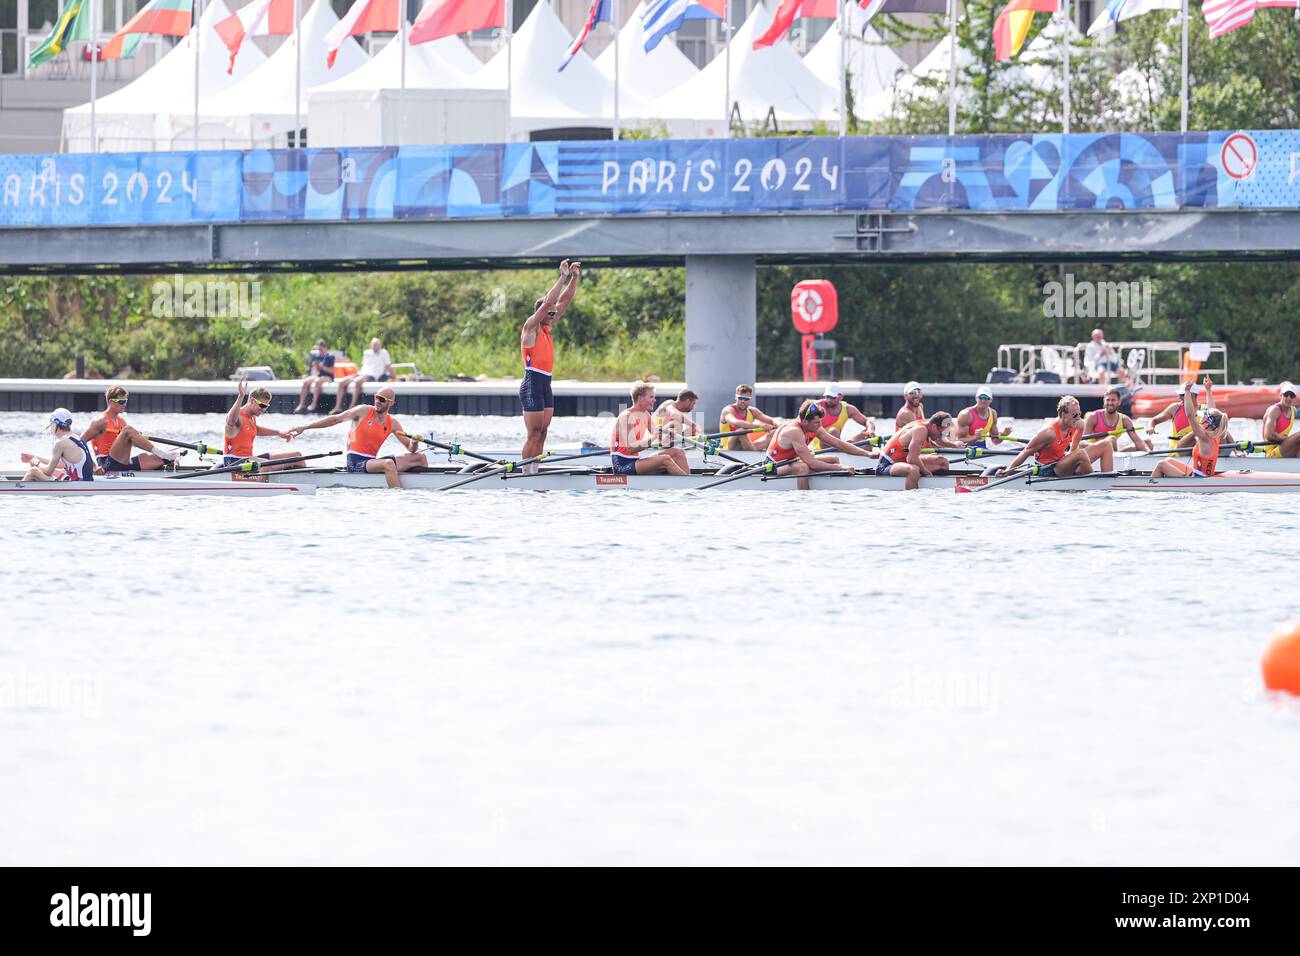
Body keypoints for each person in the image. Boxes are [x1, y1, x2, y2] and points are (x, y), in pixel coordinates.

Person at [289, 386, 427, 489]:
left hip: (371, 462)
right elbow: (335, 419)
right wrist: (305, 427)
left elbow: (410, 448)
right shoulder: (363, 411)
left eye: (382, 399)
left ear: (391, 403)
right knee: (389, 464)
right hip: (355, 463)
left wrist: (414, 442)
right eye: (376, 397)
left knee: (421, 458)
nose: (377, 401)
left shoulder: (393, 423)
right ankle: (400, 495)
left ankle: (422, 485)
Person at [520, 260, 581, 467]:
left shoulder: (548, 328)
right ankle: (525, 470)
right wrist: (562, 276)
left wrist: (575, 277)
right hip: (532, 384)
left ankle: (535, 468)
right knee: (534, 432)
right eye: (551, 313)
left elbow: (564, 301)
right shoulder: (531, 328)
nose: (555, 315)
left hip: (546, 384)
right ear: (541, 313)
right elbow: (549, 303)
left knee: (543, 432)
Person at [764, 400, 873, 490]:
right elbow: (812, 464)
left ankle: (830, 493)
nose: (820, 425)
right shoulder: (794, 431)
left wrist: (866, 453)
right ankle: (804, 497)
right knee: (803, 467)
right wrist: (841, 468)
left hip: (791, 461)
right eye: (817, 423)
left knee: (833, 459)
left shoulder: (813, 426)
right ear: (805, 422)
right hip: (774, 466)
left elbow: (838, 443)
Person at [997, 396, 1113, 478]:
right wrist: (1008, 472)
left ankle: (1108, 482)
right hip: (1048, 469)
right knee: (1080, 453)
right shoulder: (1049, 432)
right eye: (1075, 415)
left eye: (1079, 413)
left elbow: (1075, 446)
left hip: (1062, 462)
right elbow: (1026, 451)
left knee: (1106, 445)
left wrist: (1072, 456)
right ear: (1063, 414)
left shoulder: (1076, 423)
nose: (1078, 418)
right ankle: (1095, 482)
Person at [80, 385, 180, 473]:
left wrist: (136, 437)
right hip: (106, 463)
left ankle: (167, 458)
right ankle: (163, 454)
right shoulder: (101, 421)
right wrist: (93, 466)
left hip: (122, 461)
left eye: (125, 401)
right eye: (121, 401)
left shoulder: (121, 421)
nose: (124, 404)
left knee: (158, 460)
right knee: (128, 430)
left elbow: (133, 444)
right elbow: (80, 442)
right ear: (111, 402)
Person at [1153, 378, 1231, 477]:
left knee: (1161, 464)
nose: (1201, 418)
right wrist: (1208, 390)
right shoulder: (1216, 435)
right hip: (1201, 474)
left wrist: (1187, 391)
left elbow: (1190, 415)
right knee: (1168, 460)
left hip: (1198, 478)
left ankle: (1151, 485)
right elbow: (1212, 409)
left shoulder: (1203, 437)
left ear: (1208, 422)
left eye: (1204, 417)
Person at [609, 383, 691, 476]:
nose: (654, 400)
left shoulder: (646, 415)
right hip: (622, 465)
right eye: (651, 397)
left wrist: (668, 436)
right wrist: (653, 437)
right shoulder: (626, 417)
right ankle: (687, 482)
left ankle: (690, 482)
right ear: (640, 398)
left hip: (636, 461)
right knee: (665, 459)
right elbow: (631, 448)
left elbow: (661, 442)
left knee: (678, 452)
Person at [223, 381, 305, 472]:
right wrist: (240, 397)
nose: (264, 410)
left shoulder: (252, 418)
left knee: (297, 457)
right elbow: (230, 421)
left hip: (248, 459)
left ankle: (307, 483)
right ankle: (264, 485)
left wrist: (278, 433)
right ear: (252, 401)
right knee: (265, 465)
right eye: (262, 405)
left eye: (266, 406)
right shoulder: (238, 418)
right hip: (234, 462)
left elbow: (255, 429)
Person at [876, 412, 960, 490]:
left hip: (903, 461)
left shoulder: (927, 427)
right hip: (887, 464)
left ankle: (938, 493)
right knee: (914, 469)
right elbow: (912, 459)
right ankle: (914, 499)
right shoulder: (920, 430)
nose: (941, 436)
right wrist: (926, 472)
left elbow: (939, 442)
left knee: (942, 462)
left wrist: (955, 445)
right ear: (934, 427)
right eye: (942, 433)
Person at [20, 408, 96, 482]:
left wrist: (36, 463)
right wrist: (34, 457)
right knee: (52, 471)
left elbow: (48, 471)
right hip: (85, 480)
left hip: (79, 484)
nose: (50, 426)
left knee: (33, 471)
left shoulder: (60, 443)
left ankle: (18, 490)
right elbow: (60, 464)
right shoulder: (75, 437)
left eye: (51, 423)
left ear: (55, 423)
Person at [1150, 382, 1221, 449]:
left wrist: (1208, 390)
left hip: (1199, 447)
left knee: (1223, 431)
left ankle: (1231, 450)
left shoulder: (1204, 409)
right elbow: (1154, 420)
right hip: (1178, 449)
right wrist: (1151, 428)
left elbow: (1213, 412)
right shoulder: (1174, 408)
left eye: (1182, 395)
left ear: (1192, 395)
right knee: (1198, 431)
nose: (1179, 397)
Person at [1083, 387, 1151, 452]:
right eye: (1108, 400)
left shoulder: (1125, 420)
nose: (1110, 403)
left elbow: (1136, 440)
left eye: (1113, 400)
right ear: (1104, 402)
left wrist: (1148, 452)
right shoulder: (1093, 417)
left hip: (1113, 451)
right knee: (1112, 439)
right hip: (1093, 450)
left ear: (1119, 402)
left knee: (1147, 443)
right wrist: (1102, 444)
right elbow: (1082, 442)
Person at [335, 338, 394, 413]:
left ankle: (351, 407)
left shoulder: (384, 353)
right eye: (373, 345)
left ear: (380, 345)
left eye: (377, 345)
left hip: (373, 375)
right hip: (362, 373)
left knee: (357, 381)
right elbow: (364, 366)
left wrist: (393, 375)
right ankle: (337, 407)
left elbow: (388, 365)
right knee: (342, 382)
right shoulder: (367, 352)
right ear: (371, 345)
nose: (375, 346)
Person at [811, 383, 874, 451]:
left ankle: (857, 452)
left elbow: (867, 421)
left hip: (837, 445)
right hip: (820, 447)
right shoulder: (816, 406)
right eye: (827, 397)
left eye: (832, 397)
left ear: (841, 397)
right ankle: (849, 448)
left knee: (866, 435)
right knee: (834, 431)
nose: (829, 400)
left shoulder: (848, 409)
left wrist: (870, 430)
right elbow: (800, 422)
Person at [719, 384, 777, 451]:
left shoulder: (753, 411)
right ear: (735, 397)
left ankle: (753, 451)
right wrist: (760, 426)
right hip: (728, 448)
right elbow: (735, 423)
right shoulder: (728, 410)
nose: (743, 401)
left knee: (775, 432)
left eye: (746, 399)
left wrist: (780, 425)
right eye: (740, 398)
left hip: (745, 446)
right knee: (741, 431)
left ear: (750, 400)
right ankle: (753, 454)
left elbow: (771, 420)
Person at [294, 338, 336, 413]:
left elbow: (331, 371)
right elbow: (314, 370)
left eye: (321, 349)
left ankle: (314, 403)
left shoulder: (330, 356)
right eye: (319, 349)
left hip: (328, 377)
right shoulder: (316, 356)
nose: (320, 351)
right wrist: (314, 368)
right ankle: (301, 404)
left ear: (325, 348)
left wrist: (322, 367)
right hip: (319, 376)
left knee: (317, 381)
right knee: (306, 382)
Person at [1261, 381, 1300, 458]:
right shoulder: (1274, 410)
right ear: (1281, 395)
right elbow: (1269, 435)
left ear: (1295, 398)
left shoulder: (1294, 411)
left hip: (1282, 448)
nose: (1288, 398)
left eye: (1292, 396)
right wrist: (1288, 439)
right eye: (1286, 395)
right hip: (1271, 452)